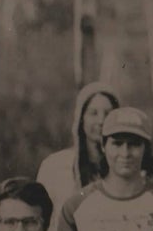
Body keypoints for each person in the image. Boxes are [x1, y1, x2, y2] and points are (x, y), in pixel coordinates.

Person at [36, 83, 121, 213]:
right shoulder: (54, 166)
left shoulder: (125, 167)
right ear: (81, 119)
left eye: (108, 113)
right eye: (93, 113)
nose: (101, 120)